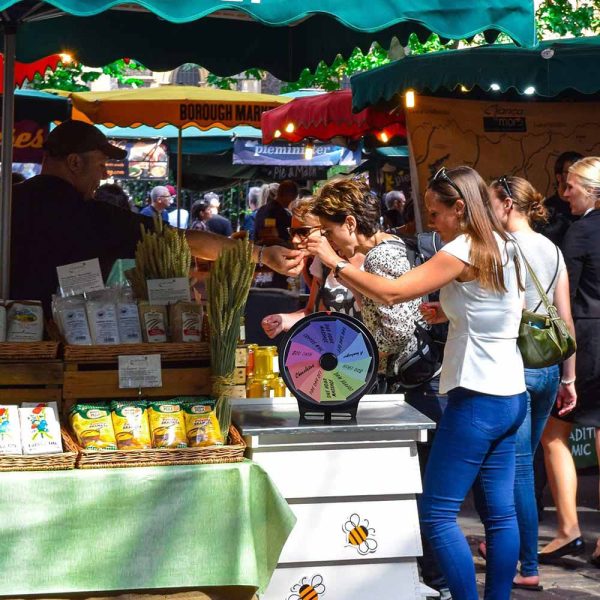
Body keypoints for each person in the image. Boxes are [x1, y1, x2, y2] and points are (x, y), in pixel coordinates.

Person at [308, 166, 527, 600]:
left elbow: (392, 293)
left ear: (459, 208)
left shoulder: (462, 248)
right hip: (511, 392)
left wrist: (334, 263)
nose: (430, 223)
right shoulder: (504, 243)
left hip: (477, 396)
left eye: (435, 212)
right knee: (501, 516)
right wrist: (449, 313)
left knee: (436, 516)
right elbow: (499, 306)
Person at [9, 120, 304, 316]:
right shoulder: (93, 215)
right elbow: (190, 242)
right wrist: (262, 255)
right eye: (101, 165)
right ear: (74, 162)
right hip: (69, 341)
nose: (104, 175)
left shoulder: (8, 203)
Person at [476, 175, 577, 591]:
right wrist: (569, 377)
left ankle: (527, 563)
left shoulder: (504, 249)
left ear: (508, 205)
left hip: (513, 365)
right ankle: (512, 545)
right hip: (548, 369)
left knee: (516, 470)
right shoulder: (552, 249)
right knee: (524, 463)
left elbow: (508, 309)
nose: (487, 211)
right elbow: (565, 320)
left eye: (491, 203)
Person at [539, 157, 600, 568]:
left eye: (570, 188)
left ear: (590, 190)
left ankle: (567, 529)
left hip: (591, 343)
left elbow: (563, 304)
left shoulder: (579, 233)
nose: (564, 195)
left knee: (551, 433)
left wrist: (568, 372)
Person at [309, 176, 423, 377]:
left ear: (350, 223)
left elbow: (398, 332)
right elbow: (380, 311)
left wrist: (360, 356)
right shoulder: (392, 242)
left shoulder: (379, 256)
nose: (328, 240)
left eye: (328, 232)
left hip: (405, 377)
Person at [261, 197, 362, 340]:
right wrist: (283, 320)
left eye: (303, 232)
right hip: (336, 354)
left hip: (367, 353)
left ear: (326, 228)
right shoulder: (320, 263)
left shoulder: (366, 259)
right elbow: (312, 311)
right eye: (292, 232)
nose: (295, 240)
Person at [536, 151, 583, 246]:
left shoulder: (588, 209)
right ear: (559, 177)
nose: (579, 176)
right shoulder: (546, 211)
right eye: (572, 172)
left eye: (581, 172)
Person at [254, 179, 297, 243]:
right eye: (293, 198)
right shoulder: (278, 212)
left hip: (260, 249)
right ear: (288, 195)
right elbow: (270, 238)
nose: (292, 201)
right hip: (274, 250)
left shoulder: (262, 209)